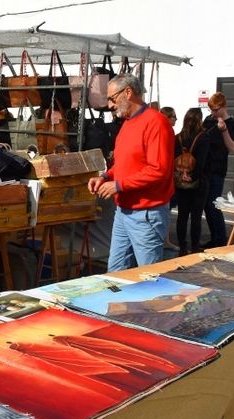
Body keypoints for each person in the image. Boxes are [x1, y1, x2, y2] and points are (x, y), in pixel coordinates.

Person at [87, 73, 175, 272]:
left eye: (112, 98)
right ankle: (119, 304)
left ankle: (153, 304)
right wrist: (105, 176)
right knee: (116, 275)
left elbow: (158, 170)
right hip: (124, 211)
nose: (110, 105)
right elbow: (125, 164)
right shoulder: (127, 124)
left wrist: (118, 185)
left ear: (128, 92)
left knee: (149, 276)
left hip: (146, 213)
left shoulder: (156, 123)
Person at [201, 92, 234, 248]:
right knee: (205, 204)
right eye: (211, 110)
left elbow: (232, 147)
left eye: (216, 110)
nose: (213, 113)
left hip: (218, 168)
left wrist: (224, 130)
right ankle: (215, 237)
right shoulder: (208, 121)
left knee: (213, 203)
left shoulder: (233, 124)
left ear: (224, 106)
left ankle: (221, 238)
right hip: (204, 168)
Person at [174, 108, 210, 256]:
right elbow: (201, 163)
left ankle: (182, 247)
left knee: (182, 215)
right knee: (196, 216)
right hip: (198, 183)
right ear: (199, 120)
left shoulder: (178, 138)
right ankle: (194, 247)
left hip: (181, 182)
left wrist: (182, 175)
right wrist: (193, 176)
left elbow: (174, 159)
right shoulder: (203, 137)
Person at [160, 106, 179, 251]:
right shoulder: (166, 132)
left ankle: (165, 239)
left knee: (166, 210)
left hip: (168, 176)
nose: (176, 119)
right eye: (173, 116)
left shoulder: (170, 132)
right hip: (165, 177)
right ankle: (164, 240)